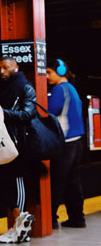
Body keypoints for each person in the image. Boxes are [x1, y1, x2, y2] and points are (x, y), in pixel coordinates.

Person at [0, 57, 38, 243]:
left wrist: (2, 113)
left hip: (18, 142)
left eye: (6, 68)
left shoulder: (25, 88)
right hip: (1, 142)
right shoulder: (0, 90)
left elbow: (28, 114)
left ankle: (18, 227)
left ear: (16, 68)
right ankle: (21, 222)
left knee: (17, 181)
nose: (1, 71)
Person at [48, 58, 86, 228]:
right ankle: (77, 218)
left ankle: (51, 219)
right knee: (72, 181)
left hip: (66, 142)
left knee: (56, 180)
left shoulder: (59, 90)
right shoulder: (72, 89)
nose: (46, 76)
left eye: (49, 72)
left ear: (60, 72)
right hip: (77, 141)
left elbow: (49, 111)